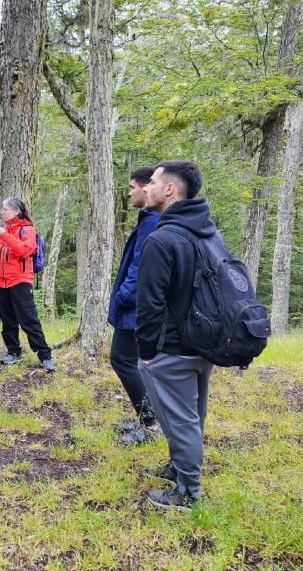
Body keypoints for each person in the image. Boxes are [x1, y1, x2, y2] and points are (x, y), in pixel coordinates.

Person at [136, 160, 214, 512]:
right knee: (192, 416)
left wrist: (147, 351)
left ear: (170, 189)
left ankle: (189, 494)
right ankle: (178, 469)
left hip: (172, 348)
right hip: (204, 342)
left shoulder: (162, 239)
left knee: (181, 421)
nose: (148, 187)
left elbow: (149, 303)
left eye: (153, 181)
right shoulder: (207, 232)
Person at [0, 197, 56, 372]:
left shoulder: (27, 230)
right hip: (1, 282)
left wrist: (4, 235)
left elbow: (25, 250)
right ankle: (13, 352)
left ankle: (45, 357)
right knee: (8, 321)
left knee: (29, 320)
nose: (2, 212)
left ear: (16, 211)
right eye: (2, 209)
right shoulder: (2, 232)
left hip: (20, 281)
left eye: (5, 209)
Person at [108, 167, 161, 445]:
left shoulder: (153, 220)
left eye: (133, 187)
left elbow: (141, 265)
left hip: (136, 305)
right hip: (138, 304)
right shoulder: (148, 219)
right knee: (138, 363)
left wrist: (124, 296)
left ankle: (151, 423)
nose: (129, 192)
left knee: (122, 358)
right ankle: (149, 419)